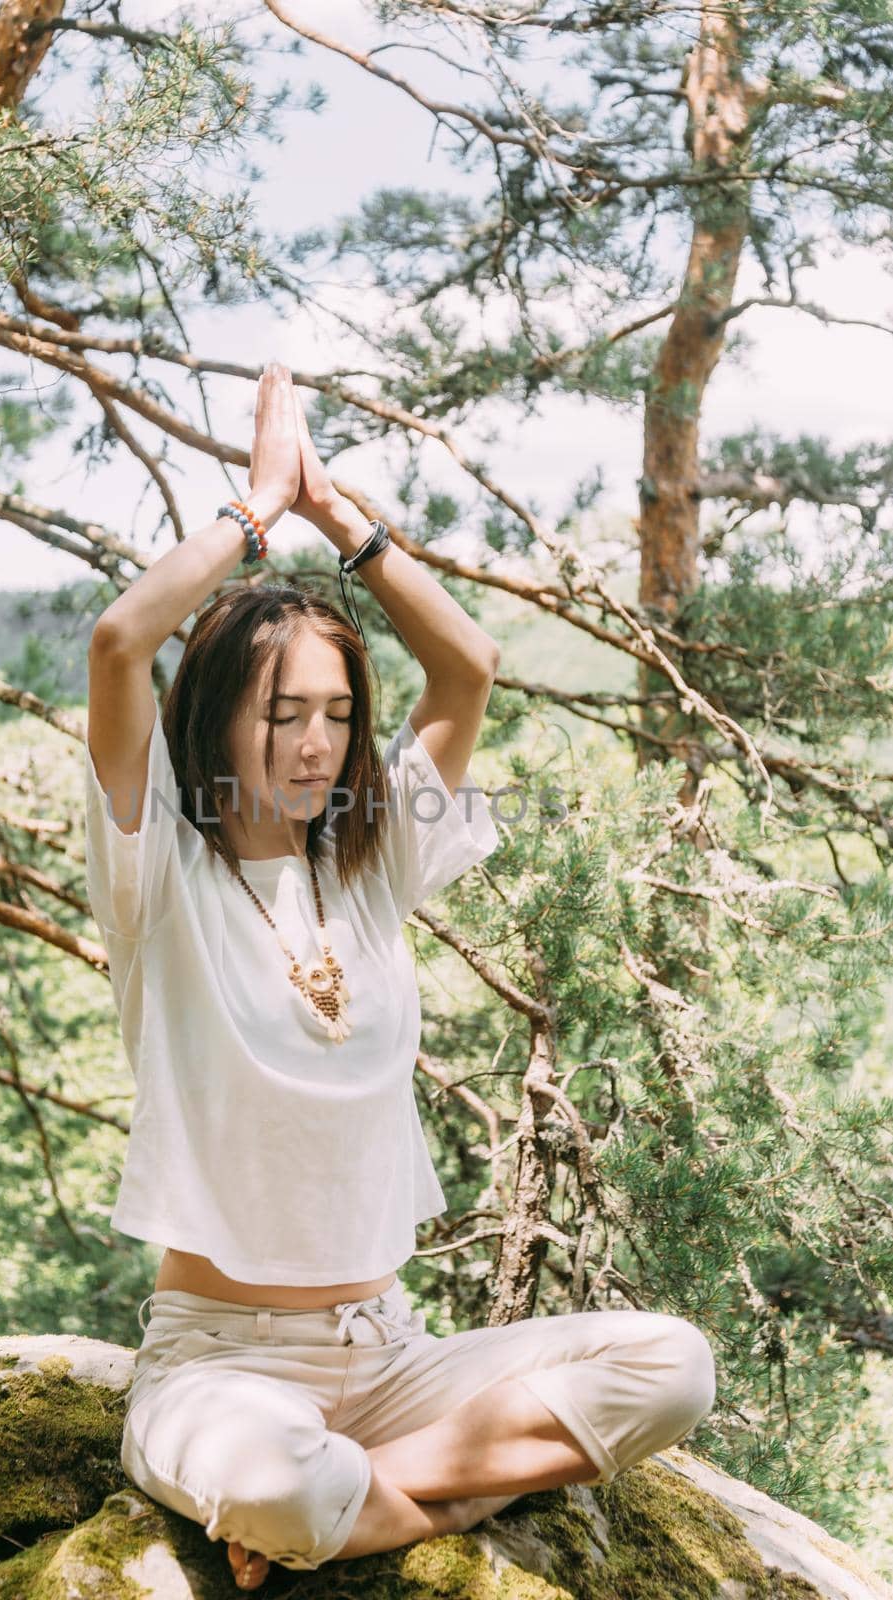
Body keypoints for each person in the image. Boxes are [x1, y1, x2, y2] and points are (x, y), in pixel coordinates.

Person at [85, 362, 716, 1590]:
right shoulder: (156, 869)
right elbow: (120, 641)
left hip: (387, 1357)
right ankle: (348, 1494)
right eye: (280, 714)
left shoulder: (369, 868)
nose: (316, 742)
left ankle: (363, 1499)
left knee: (670, 1366)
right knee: (274, 1474)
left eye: (335, 710)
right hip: (220, 1365)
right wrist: (257, 511)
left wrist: (345, 520)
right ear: (213, 717)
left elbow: (467, 664)